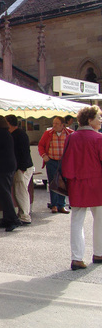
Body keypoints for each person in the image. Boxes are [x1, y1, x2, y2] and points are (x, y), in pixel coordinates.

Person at [60, 105, 102, 271]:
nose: (101, 120)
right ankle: (99, 253)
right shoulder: (99, 138)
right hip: (96, 184)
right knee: (99, 220)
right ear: (90, 120)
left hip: (76, 183)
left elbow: (66, 162)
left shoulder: (72, 137)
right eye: (98, 117)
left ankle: (77, 258)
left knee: (77, 221)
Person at [38, 116, 73, 214]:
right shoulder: (48, 133)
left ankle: (61, 205)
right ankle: (54, 205)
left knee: (63, 183)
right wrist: (44, 155)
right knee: (53, 183)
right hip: (52, 161)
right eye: (53, 123)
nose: (54, 125)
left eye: (57, 123)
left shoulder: (70, 133)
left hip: (64, 162)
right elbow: (41, 145)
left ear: (62, 125)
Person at [5, 115, 35, 225]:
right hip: (21, 167)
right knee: (20, 191)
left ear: (9, 123)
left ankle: (25, 216)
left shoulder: (20, 135)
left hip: (23, 167)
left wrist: (22, 168)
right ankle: (23, 214)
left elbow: (24, 152)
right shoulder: (14, 134)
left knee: (20, 191)